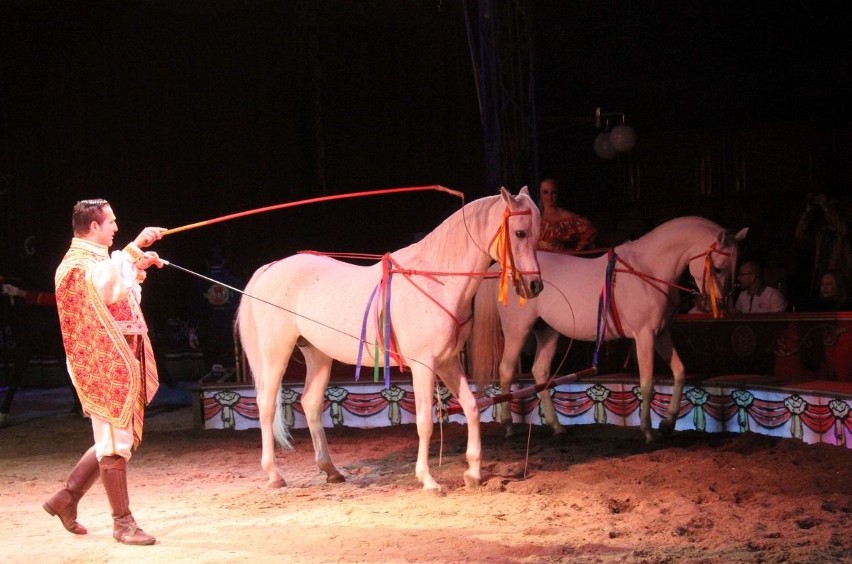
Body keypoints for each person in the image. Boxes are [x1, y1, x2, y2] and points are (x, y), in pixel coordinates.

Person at [44, 199, 165, 545]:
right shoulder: (76, 265)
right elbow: (102, 287)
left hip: (116, 355)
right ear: (93, 227)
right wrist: (133, 248)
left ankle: (65, 498)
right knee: (114, 441)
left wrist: (136, 265)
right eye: (110, 222)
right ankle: (122, 523)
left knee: (111, 439)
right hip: (100, 361)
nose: (115, 226)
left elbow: (116, 295)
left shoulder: (95, 261)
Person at [0, 282, 81, 427]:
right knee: (63, 366)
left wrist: (19, 293)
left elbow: (54, 299)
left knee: (66, 367)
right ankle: (4, 410)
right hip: (38, 330)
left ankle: (81, 405)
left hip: (48, 330)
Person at [794, 193, 852, 297]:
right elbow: (799, 235)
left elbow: (843, 229)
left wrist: (826, 207)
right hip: (820, 277)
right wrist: (807, 212)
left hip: (838, 279)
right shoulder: (821, 232)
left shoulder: (843, 231)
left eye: (831, 211)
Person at [537, 178, 598, 252]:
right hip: (538, 260)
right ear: (540, 194)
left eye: (553, 193)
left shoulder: (564, 215)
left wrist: (577, 250)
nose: (549, 197)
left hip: (559, 260)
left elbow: (589, 231)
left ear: (557, 194)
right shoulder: (534, 215)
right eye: (545, 192)